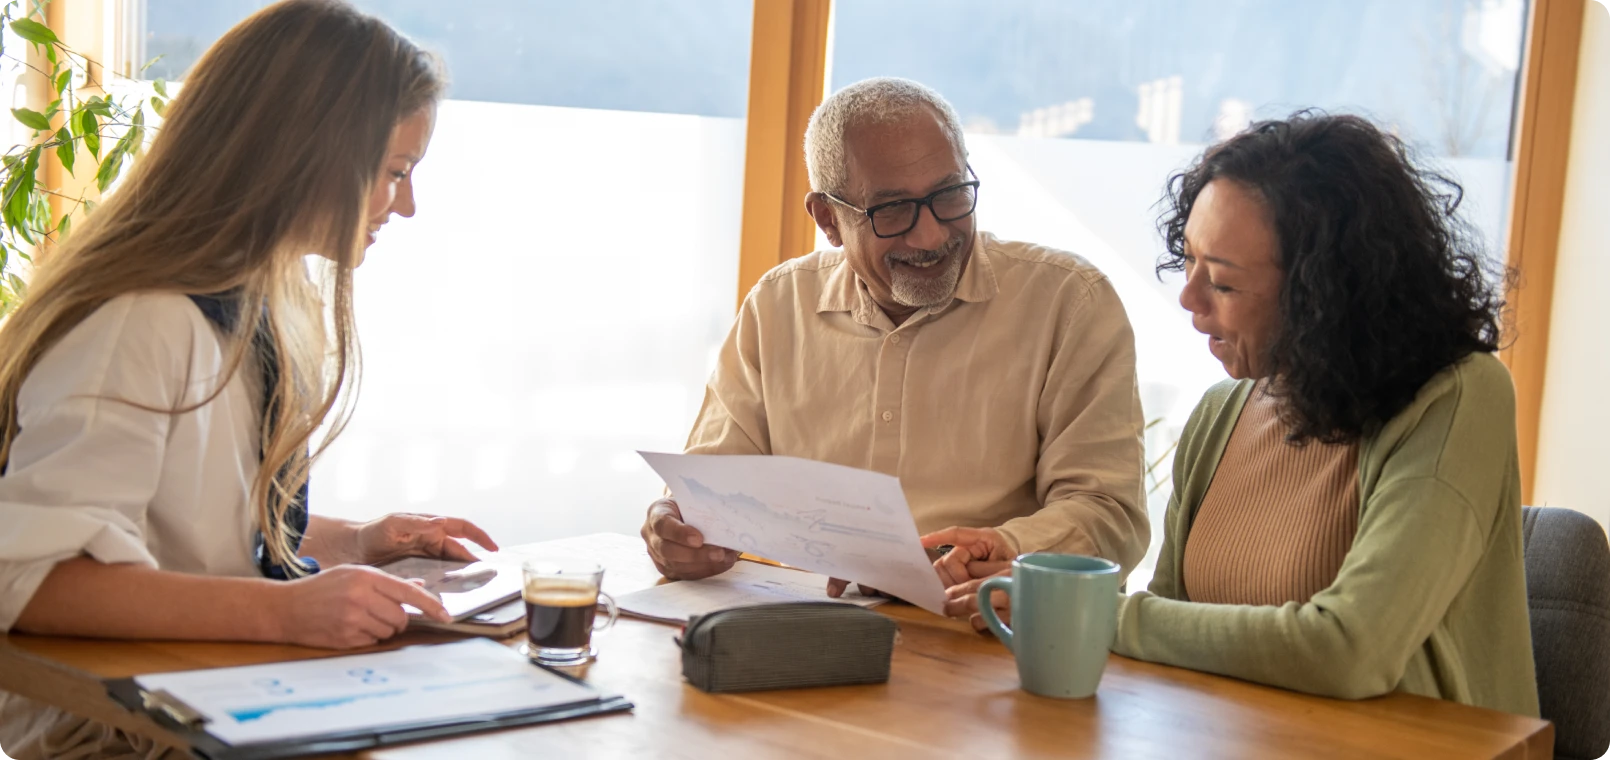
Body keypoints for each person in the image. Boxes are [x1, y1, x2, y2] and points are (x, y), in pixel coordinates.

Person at [0, 1, 499, 755]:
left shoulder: (257, 303)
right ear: (306, 151)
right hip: (104, 735)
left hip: (202, 704)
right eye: (394, 172)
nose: (407, 205)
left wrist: (360, 542)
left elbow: (201, 529)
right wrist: (287, 613)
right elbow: (34, 579)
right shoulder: (139, 322)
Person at [939, 111, 1538, 715]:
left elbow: (1350, 648)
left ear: (1324, 295)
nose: (1189, 299)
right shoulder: (1221, 414)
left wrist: (1096, 614)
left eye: (1222, 283)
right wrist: (1044, 591)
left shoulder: (1457, 397)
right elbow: (1169, 626)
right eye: (1191, 260)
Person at [640, 77, 1149, 595]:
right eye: (893, 210)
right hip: (803, 626)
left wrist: (1007, 549)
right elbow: (709, 485)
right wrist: (675, 524)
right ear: (828, 219)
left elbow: (1110, 513)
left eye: (950, 195)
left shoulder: (1069, 301)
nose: (930, 235)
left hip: (987, 632)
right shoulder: (778, 305)